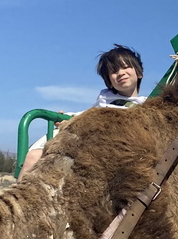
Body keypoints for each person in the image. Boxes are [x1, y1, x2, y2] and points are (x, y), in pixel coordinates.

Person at [19, 45, 146, 178]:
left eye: (126, 67)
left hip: (121, 158)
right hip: (89, 152)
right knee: (34, 157)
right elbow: (87, 115)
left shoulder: (147, 109)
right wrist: (67, 119)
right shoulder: (104, 104)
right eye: (114, 71)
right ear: (109, 82)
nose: (121, 73)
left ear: (139, 73)